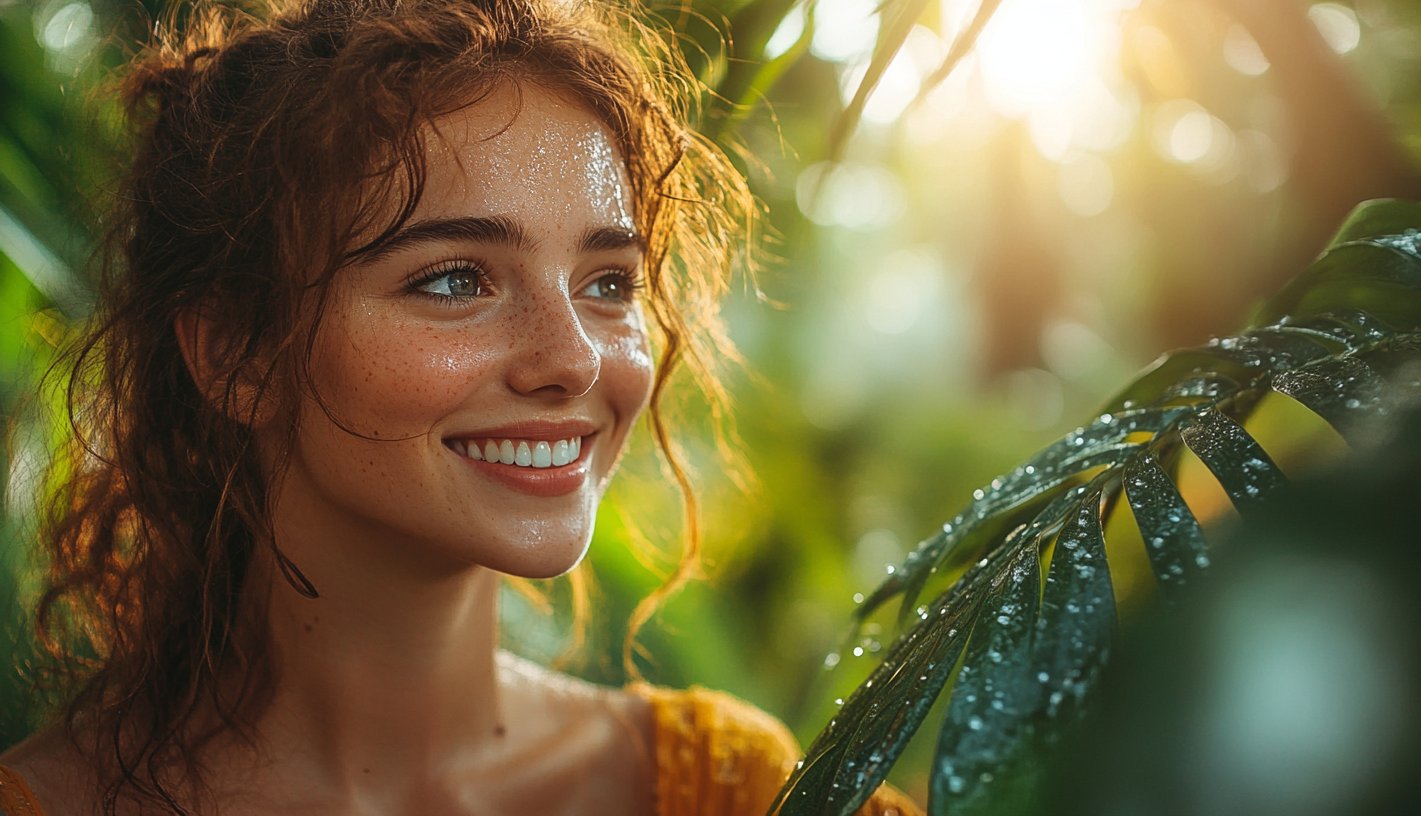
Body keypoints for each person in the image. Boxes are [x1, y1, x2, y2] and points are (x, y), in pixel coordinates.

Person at [0, 0, 920, 813]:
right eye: (453, 279)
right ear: (237, 353)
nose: (573, 359)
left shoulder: (743, 794)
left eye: (608, 282)